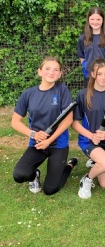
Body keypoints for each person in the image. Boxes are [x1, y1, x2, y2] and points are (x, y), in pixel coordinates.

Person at [12, 57, 78, 195]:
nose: (51, 72)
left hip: (58, 144)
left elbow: (68, 119)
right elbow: (15, 122)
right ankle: (34, 176)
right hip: (38, 144)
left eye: (56, 70)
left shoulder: (62, 90)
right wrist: (33, 134)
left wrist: (49, 140)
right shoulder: (28, 94)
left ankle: (69, 165)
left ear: (60, 74)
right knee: (19, 175)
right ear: (40, 71)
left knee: (50, 189)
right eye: (47, 69)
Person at [72, 58, 105, 199]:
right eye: (99, 74)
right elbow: (74, 123)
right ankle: (87, 180)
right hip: (90, 140)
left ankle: (96, 161)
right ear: (93, 74)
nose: (103, 77)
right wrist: (91, 136)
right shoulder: (83, 95)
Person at [77, 7, 105, 87]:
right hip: (89, 77)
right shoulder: (82, 39)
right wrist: (89, 71)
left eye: (98, 19)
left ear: (103, 20)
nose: (95, 22)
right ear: (88, 20)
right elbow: (82, 58)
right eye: (92, 19)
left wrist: (104, 73)